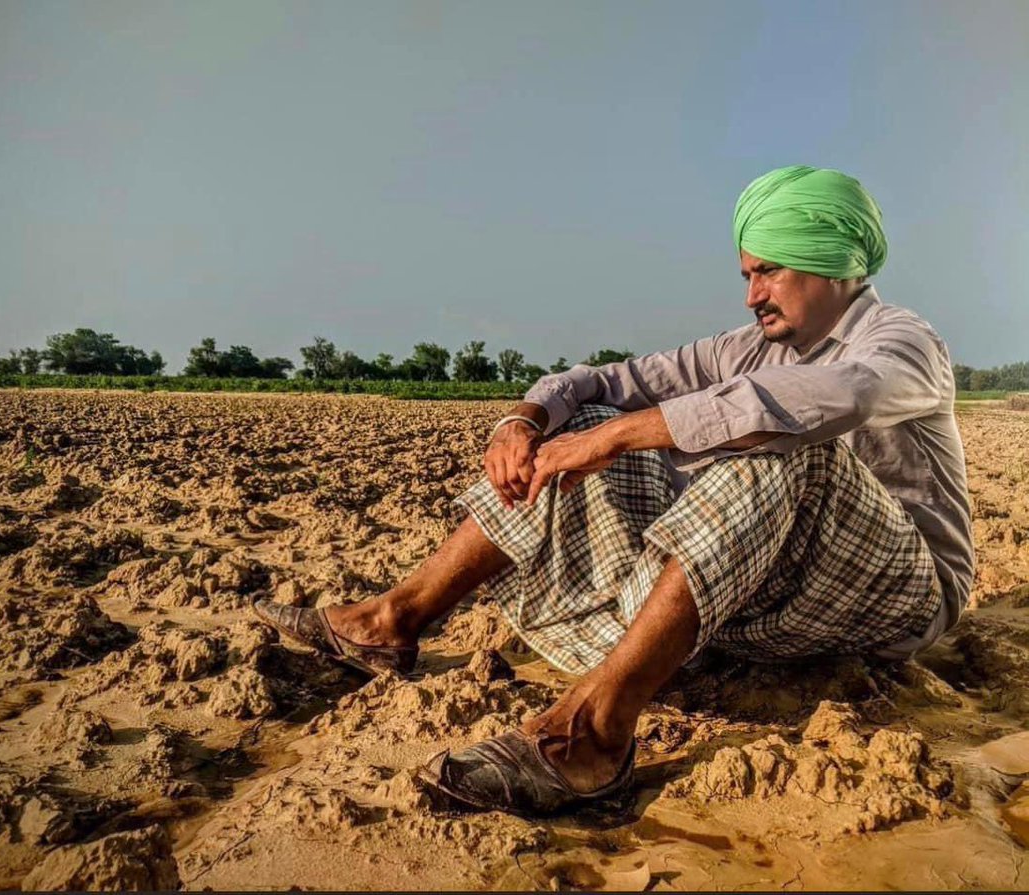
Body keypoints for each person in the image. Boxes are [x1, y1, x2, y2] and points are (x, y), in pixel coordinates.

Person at [253, 165, 973, 816]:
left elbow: (842, 396)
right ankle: (395, 620)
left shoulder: (902, 340)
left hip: (900, 599)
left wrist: (622, 437)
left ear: (829, 261)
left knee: (775, 445)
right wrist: (525, 419)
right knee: (593, 417)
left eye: (770, 271)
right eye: (747, 273)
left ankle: (596, 734)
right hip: (797, 594)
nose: (752, 293)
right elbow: (601, 382)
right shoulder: (748, 345)